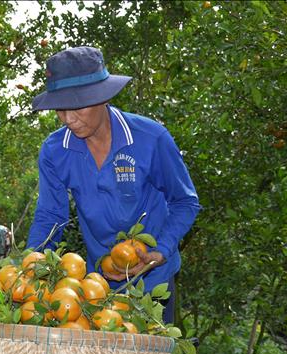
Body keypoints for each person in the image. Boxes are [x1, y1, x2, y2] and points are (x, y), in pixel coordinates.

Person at [27, 46, 200, 323]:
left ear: (102, 98)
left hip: (154, 283)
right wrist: (30, 266)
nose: (68, 119)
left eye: (76, 107)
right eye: (61, 108)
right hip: (99, 285)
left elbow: (185, 201)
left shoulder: (149, 139)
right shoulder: (55, 151)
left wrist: (161, 251)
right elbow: (51, 216)